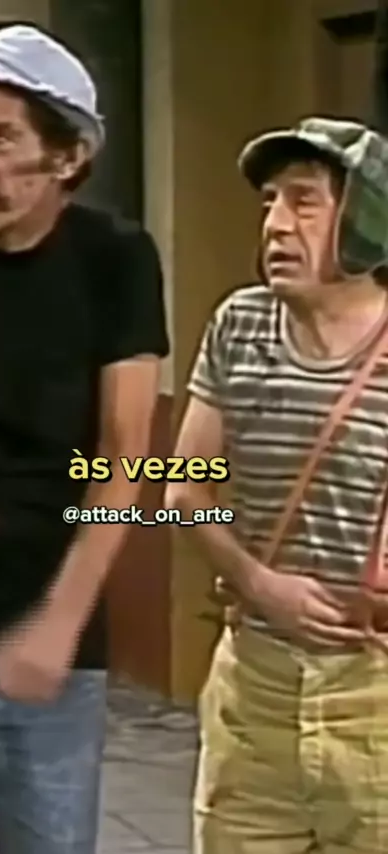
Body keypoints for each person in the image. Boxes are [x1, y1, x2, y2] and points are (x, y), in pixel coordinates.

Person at [0, 22, 169, 854]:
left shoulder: (115, 259)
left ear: (67, 158)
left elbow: (127, 454)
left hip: (49, 654)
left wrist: (60, 621)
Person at [165, 115, 388, 853]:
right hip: (255, 699)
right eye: (269, 202)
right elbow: (184, 488)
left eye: (303, 202)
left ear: (364, 224)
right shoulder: (240, 326)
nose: (276, 225)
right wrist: (258, 583)